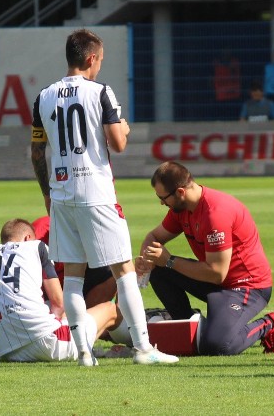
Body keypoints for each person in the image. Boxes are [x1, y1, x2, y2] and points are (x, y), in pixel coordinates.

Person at [30, 28, 177, 366]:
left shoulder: (44, 96)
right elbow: (118, 143)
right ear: (91, 58)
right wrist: (123, 127)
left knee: (75, 275)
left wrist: (47, 195)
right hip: (96, 191)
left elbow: (37, 153)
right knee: (124, 271)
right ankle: (143, 349)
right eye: (100, 62)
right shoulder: (101, 92)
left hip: (62, 193)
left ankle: (83, 352)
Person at [134, 161, 274, 356]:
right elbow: (153, 237)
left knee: (219, 346)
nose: (161, 203)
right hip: (217, 280)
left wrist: (169, 260)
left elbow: (217, 274)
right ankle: (188, 325)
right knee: (158, 268)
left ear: (180, 192)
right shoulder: (181, 209)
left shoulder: (215, 214)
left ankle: (270, 323)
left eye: (163, 198)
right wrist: (145, 259)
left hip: (247, 287)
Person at [0, 219, 118, 363]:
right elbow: (59, 303)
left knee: (47, 306)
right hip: (50, 344)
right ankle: (139, 344)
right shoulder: (37, 247)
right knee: (110, 310)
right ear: (28, 238)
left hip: (6, 351)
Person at [31, 216, 116, 308]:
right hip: (45, 287)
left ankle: (84, 318)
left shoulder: (95, 228)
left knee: (112, 269)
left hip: (75, 278)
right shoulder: (41, 231)